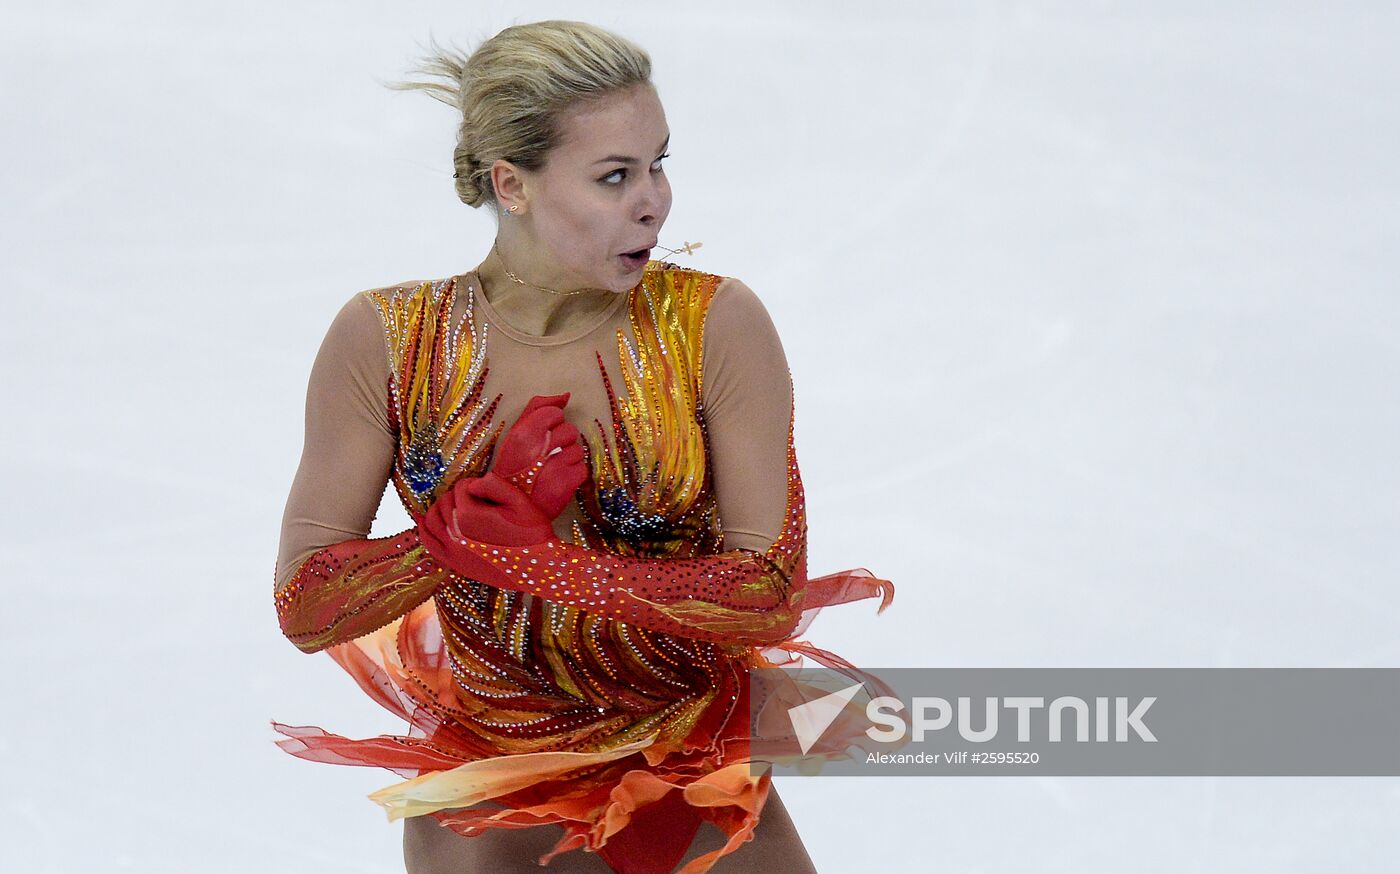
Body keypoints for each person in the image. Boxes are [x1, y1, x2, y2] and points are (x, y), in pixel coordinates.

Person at [270, 20, 895, 873]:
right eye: (614, 176)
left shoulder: (714, 324)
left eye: (658, 164)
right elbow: (305, 605)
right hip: (493, 804)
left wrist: (546, 565)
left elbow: (770, 594)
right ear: (511, 185)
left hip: (686, 781)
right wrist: (456, 539)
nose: (655, 201)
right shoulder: (389, 338)